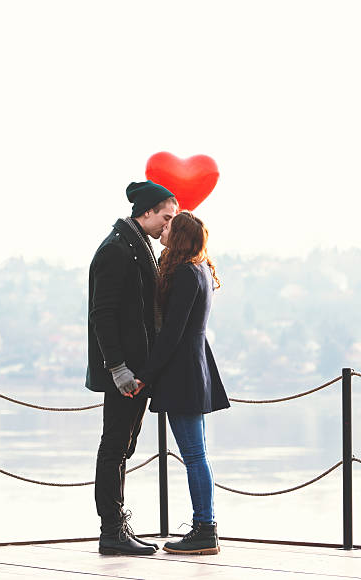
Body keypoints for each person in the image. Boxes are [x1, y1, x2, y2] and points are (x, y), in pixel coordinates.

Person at [86, 180, 178, 555]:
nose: (168, 226)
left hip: (137, 370)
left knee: (123, 446)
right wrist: (118, 368)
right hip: (125, 373)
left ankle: (116, 526)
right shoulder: (116, 250)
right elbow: (102, 314)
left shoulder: (135, 246)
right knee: (114, 447)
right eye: (166, 217)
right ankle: (111, 531)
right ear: (147, 212)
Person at [135, 211, 230, 555]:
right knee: (197, 453)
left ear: (180, 236)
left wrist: (146, 375)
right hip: (195, 365)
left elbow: (172, 332)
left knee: (193, 455)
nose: (164, 227)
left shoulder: (187, 273)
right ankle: (205, 526)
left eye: (170, 225)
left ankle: (205, 529)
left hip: (183, 371)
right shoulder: (200, 268)